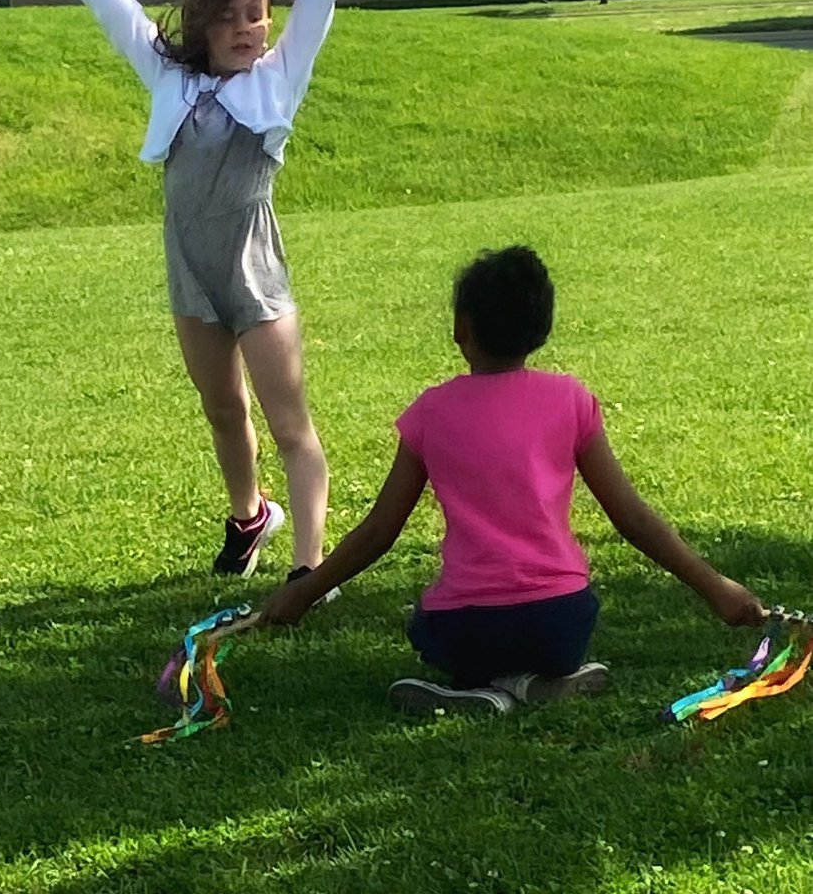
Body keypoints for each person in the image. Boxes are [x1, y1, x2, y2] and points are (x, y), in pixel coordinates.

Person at [46, 0, 383, 583]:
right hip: (191, 277)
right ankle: (250, 515)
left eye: (255, 15)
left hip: (255, 279)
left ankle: (308, 569)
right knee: (224, 412)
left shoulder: (277, 81)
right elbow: (117, 11)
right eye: (227, 18)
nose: (245, 28)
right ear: (201, 27)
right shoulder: (171, 79)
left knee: (290, 424)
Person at [261, 245, 765, 714]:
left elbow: (378, 532)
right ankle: (535, 682)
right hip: (561, 625)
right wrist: (716, 587)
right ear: (541, 329)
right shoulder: (571, 401)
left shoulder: (430, 414)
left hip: (465, 629)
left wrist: (302, 593)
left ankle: (474, 687)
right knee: (558, 620)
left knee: (425, 622)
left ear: (461, 328)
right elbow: (632, 517)